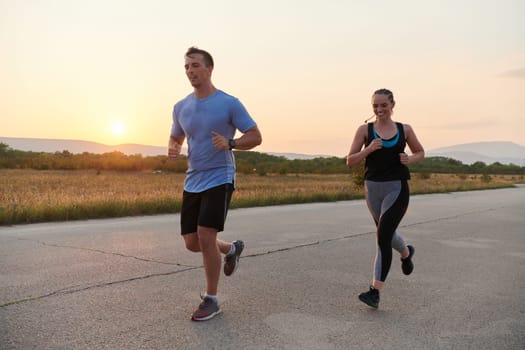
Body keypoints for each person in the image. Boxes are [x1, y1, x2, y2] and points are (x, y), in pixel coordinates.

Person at [168, 47, 262, 321]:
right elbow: (175, 137)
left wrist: (231, 143)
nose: (190, 71)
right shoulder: (180, 106)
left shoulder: (229, 103)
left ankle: (211, 299)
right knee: (192, 242)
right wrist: (173, 148)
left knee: (206, 237)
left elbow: (255, 136)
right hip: (193, 179)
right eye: (186, 67)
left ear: (209, 69)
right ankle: (231, 248)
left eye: (195, 65)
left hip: (220, 176)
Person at [346, 88, 424, 309]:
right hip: (372, 189)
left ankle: (375, 292)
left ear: (392, 105)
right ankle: (406, 252)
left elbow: (420, 152)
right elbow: (350, 161)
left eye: (383, 105)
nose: (379, 110)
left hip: (397, 188)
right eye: (375, 106)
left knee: (382, 237)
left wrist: (410, 158)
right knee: (386, 233)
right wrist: (368, 149)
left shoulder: (404, 129)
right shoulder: (364, 130)